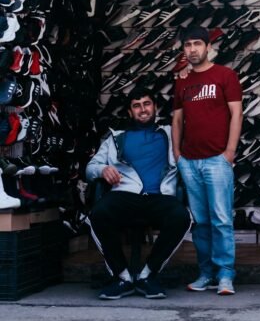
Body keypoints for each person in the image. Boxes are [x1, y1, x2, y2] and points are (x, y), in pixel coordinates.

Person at [85, 88, 192, 300]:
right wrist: (102, 170)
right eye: (136, 105)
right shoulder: (116, 138)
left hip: (160, 196)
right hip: (125, 194)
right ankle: (122, 277)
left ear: (155, 107)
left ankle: (147, 275)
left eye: (146, 104)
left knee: (182, 217)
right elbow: (90, 169)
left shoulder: (171, 133)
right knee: (98, 214)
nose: (142, 109)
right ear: (130, 112)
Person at [173, 26, 243, 295]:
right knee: (200, 222)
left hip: (217, 159)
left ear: (208, 46)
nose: (192, 49)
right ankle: (206, 273)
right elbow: (177, 119)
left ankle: (226, 274)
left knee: (222, 219)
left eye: (197, 44)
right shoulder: (182, 80)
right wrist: (177, 155)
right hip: (189, 161)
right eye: (187, 44)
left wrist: (230, 152)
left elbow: (236, 114)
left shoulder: (225, 75)